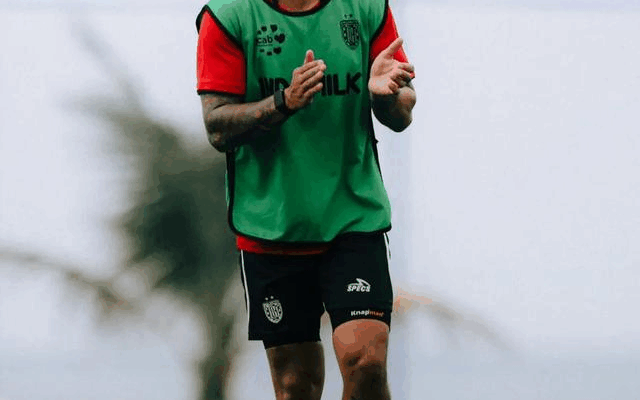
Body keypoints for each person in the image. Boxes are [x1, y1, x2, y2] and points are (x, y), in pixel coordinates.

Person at [196, 0, 416, 398]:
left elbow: (401, 112)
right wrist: (283, 102)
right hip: (272, 226)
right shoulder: (228, 16)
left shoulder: (366, 7)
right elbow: (217, 126)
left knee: (366, 365)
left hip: (353, 217)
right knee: (296, 385)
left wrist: (385, 97)